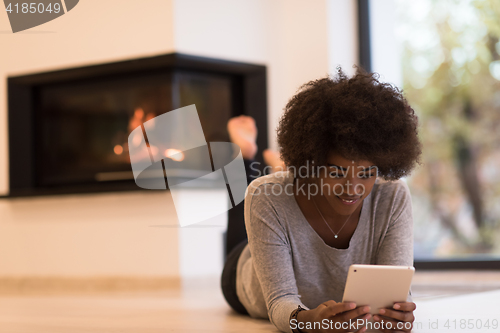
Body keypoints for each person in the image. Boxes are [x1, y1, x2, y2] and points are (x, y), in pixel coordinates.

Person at [221, 68, 422, 333]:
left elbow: (395, 293)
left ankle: (280, 167)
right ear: (313, 163)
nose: (353, 188)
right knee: (256, 196)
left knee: (266, 193)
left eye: (366, 174)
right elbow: (280, 302)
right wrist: (308, 323)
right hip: (245, 276)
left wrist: (397, 313)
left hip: (290, 217)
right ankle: (245, 157)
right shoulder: (267, 196)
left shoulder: (392, 196)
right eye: (336, 172)